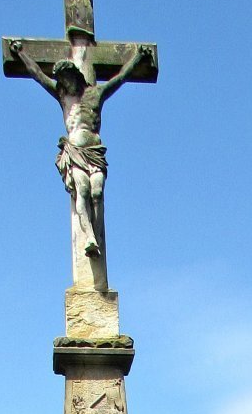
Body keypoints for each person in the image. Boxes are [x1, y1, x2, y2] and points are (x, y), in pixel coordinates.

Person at [10, 39, 149, 269]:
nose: (63, 84)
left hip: (94, 153)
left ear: (74, 76)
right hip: (75, 153)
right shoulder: (62, 96)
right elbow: (37, 74)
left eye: (66, 79)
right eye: (61, 81)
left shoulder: (96, 93)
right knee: (82, 191)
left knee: (97, 191)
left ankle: (96, 235)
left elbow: (121, 77)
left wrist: (138, 58)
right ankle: (90, 238)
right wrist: (21, 54)